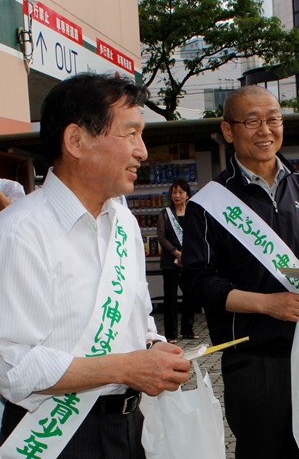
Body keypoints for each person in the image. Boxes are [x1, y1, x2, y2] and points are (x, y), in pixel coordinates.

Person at [0, 73, 191, 458]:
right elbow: (13, 366)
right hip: (55, 437)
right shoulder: (20, 232)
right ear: (76, 140)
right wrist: (125, 368)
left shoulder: (124, 223)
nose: (142, 151)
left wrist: (154, 348)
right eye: (130, 133)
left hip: (127, 426)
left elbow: (139, 320)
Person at [181, 85, 299, 459]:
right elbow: (198, 282)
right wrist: (267, 304)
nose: (265, 130)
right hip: (253, 360)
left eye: (273, 119)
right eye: (252, 121)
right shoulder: (208, 204)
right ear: (228, 130)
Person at [157, 178, 198, 343]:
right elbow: (161, 236)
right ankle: (171, 334)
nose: (177, 195)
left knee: (190, 295)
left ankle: (187, 330)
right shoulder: (165, 214)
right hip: (170, 262)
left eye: (181, 192)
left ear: (187, 195)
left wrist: (188, 254)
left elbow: (197, 235)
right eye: (174, 192)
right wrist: (175, 252)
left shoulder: (194, 212)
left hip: (189, 261)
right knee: (171, 299)